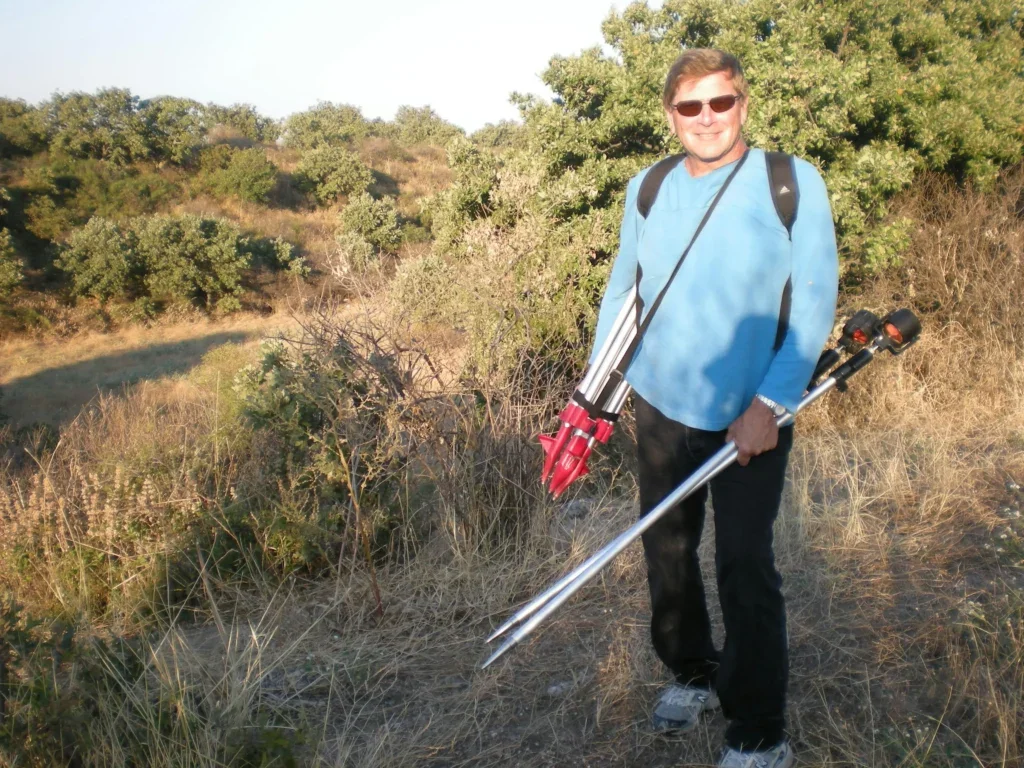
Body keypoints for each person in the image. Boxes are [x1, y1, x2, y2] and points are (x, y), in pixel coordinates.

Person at [588, 49, 839, 768]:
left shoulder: (789, 183)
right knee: (666, 550)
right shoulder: (647, 186)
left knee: (743, 563)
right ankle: (691, 672)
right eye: (690, 106)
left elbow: (813, 302)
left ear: (743, 105)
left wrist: (771, 403)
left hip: (751, 415)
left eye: (719, 103)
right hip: (662, 402)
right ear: (670, 114)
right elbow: (622, 294)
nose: (706, 119)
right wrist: (599, 393)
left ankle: (759, 730)